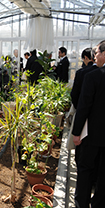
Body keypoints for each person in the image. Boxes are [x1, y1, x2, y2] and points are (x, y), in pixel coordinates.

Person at [72, 40, 105, 208]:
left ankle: (82, 204)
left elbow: (83, 107)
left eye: (98, 52)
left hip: (91, 135)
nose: (95, 56)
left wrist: (76, 133)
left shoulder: (93, 76)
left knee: (84, 171)